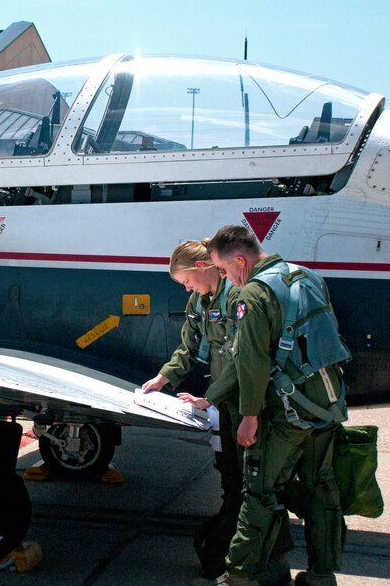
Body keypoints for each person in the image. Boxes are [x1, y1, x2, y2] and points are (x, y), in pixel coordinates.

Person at [206, 225, 345, 586]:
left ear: (240, 259)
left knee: (260, 491)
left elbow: (250, 362)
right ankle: (321, 576)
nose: (225, 279)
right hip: (327, 403)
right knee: (321, 486)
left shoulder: (251, 295)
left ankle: (238, 579)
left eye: (223, 270)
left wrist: (249, 417)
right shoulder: (306, 276)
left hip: (288, 411)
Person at [141, 239, 243, 580]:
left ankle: (242, 554)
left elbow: (244, 358)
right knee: (230, 474)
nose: (187, 288)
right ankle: (230, 545)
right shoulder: (200, 301)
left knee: (249, 481)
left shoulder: (238, 295)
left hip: (245, 399)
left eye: (187, 281)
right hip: (224, 402)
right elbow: (189, 346)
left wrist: (208, 399)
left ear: (203, 268)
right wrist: (162, 378)